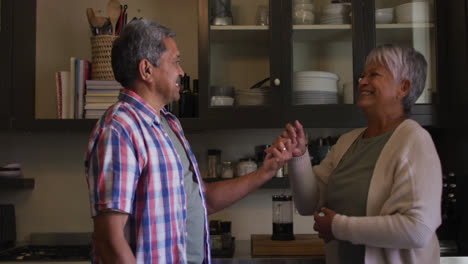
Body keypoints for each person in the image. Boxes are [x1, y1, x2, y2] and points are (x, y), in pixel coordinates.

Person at [84, 19, 285, 264]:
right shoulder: (119, 129)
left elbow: (203, 199)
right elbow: (110, 241)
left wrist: (266, 172)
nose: (181, 72)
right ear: (147, 70)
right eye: (176, 61)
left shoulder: (169, 124)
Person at [268, 44, 442, 264]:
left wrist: (338, 227)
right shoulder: (347, 142)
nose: (363, 81)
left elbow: (418, 229)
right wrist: (298, 155)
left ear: (403, 88)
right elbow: (307, 204)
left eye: (374, 74)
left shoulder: (415, 141)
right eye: (363, 75)